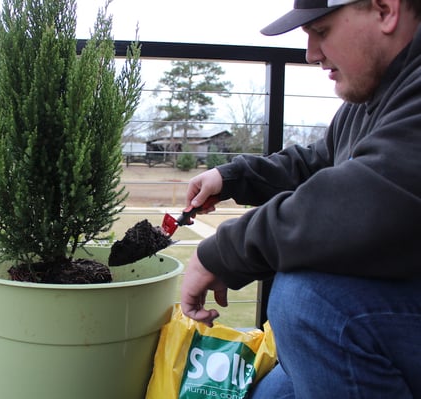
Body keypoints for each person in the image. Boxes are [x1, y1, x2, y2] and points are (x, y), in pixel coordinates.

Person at [180, 0, 421, 397]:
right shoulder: (374, 97)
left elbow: (365, 198)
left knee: (311, 304)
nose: (310, 54)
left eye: (321, 31)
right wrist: (232, 177)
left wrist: (223, 251)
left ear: (384, 9)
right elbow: (319, 164)